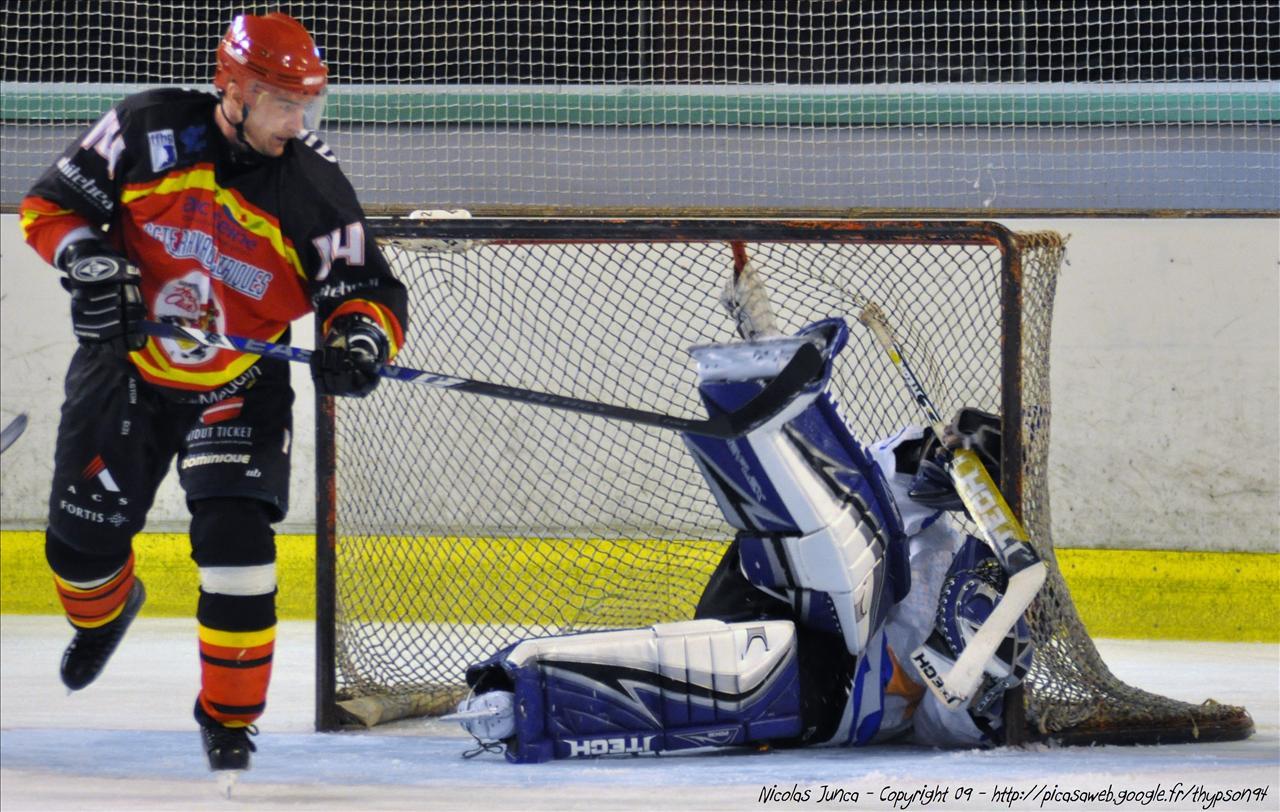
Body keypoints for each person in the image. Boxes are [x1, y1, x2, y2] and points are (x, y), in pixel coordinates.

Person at [19, 12, 408, 775]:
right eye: (282, 103)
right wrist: (92, 266)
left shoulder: (313, 187)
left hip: (238, 382)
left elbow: (368, 292)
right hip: (125, 369)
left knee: (238, 551)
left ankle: (230, 722)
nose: (298, 123)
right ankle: (104, 610)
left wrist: (358, 341)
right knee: (79, 550)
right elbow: (52, 208)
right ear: (230, 88)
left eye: (309, 104)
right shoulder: (145, 128)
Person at [447, 319, 1033, 762]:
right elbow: (877, 490)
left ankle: (526, 689)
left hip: (830, 688)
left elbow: (934, 729)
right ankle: (769, 417)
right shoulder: (908, 508)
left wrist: (977, 680)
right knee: (845, 523)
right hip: (773, 590)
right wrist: (918, 458)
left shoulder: (977, 574)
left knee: (726, 667)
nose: (947, 453)